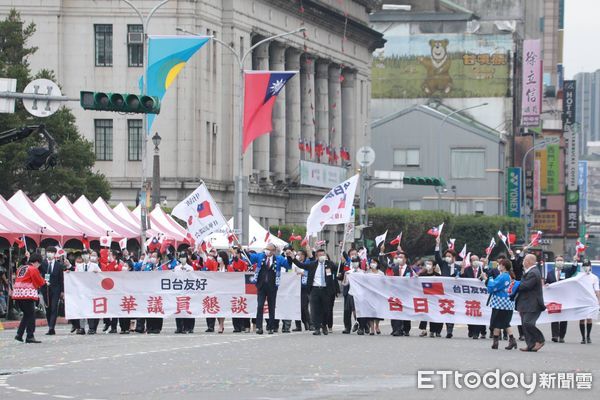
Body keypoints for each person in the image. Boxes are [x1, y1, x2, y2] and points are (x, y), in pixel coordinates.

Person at [289, 247, 336, 336]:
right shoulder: (312, 265)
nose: (322, 257)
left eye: (323, 255)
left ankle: (324, 325)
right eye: (320, 255)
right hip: (314, 289)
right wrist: (293, 258)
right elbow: (300, 265)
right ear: (316, 257)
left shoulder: (329, 264)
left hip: (326, 290)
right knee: (315, 309)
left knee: (326, 310)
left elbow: (337, 268)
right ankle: (317, 328)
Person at [248, 243, 290, 334]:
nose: (267, 251)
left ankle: (271, 327)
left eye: (270, 249)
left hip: (272, 286)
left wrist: (289, 256)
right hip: (261, 286)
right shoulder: (260, 256)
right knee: (260, 306)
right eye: (266, 249)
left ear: (274, 251)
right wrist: (242, 249)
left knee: (271, 307)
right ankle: (259, 327)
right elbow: (250, 257)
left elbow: (288, 265)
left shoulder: (278, 259)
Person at [484, 259, 519, 350]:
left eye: (499, 264)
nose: (498, 266)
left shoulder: (503, 276)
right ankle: (508, 340)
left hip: (500, 302)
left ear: (503, 266)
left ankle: (498, 341)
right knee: (504, 322)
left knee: (498, 322)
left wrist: (488, 279)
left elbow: (493, 287)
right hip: (507, 303)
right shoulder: (508, 276)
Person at [515, 254, 546, 352]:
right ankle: (531, 345)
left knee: (528, 323)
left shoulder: (534, 272)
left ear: (529, 261)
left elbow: (526, 286)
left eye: (524, 260)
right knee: (524, 324)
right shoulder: (529, 271)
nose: (523, 261)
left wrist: (515, 285)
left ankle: (540, 340)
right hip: (526, 303)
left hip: (533, 303)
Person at [12, 253, 46, 343]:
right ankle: (30, 336)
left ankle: (19, 334)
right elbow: (39, 281)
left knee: (27, 315)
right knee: (31, 315)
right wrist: (45, 282)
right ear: (37, 262)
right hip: (27, 294)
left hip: (17, 294)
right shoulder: (33, 269)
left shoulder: (21, 268)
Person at [545, 255, 577, 343]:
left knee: (563, 317)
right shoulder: (550, 273)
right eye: (558, 260)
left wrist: (574, 261)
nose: (559, 261)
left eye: (561, 260)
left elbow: (574, 269)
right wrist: (547, 284)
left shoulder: (567, 271)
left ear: (563, 262)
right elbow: (547, 282)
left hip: (564, 298)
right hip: (554, 298)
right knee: (554, 315)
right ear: (555, 262)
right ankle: (555, 335)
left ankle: (562, 336)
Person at [382, 249, 414, 336]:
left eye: (401, 257)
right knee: (395, 311)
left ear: (405, 259)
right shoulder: (394, 267)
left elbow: (413, 281)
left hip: (406, 294)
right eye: (398, 257)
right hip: (395, 293)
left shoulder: (410, 269)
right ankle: (396, 329)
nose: (399, 258)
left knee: (405, 312)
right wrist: (382, 253)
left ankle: (406, 329)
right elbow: (384, 264)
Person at [434, 237, 460, 338]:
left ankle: (449, 331)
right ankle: (438, 331)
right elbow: (437, 257)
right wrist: (437, 245)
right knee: (441, 311)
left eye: (449, 256)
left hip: (453, 293)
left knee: (450, 312)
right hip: (442, 292)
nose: (447, 258)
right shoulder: (443, 264)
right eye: (446, 256)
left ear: (454, 257)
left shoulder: (458, 268)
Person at [461, 254, 487, 339]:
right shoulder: (467, 270)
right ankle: (471, 329)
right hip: (470, 296)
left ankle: (477, 332)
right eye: (473, 260)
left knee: (479, 314)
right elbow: (463, 280)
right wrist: (461, 271)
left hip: (481, 297)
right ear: (471, 262)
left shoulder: (483, 269)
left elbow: (489, 278)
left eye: (477, 260)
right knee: (470, 314)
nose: (475, 261)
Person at [40, 246, 65, 336]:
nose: (50, 253)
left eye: (52, 252)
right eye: (48, 252)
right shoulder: (42, 263)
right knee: (48, 308)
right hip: (45, 289)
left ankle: (51, 327)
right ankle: (49, 324)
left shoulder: (59, 265)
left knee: (54, 307)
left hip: (56, 289)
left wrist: (62, 291)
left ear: (55, 254)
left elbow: (61, 279)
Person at [341, 256, 368, 335]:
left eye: (356, 261)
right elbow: (345, 284)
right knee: (347, 311)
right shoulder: (349, 272)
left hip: (360, 294)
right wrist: (345, 276)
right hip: (351, 293)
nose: (354, 263)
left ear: (359, 262)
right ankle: (347, 327)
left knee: (358, 311)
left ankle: (361, 327)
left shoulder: (362, 272)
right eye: (353, 261)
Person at [418, 260, 443, 337]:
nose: (428, 265)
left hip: (434, 298)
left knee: (433, 314)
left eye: (430, 264)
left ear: (434, 266)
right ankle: (423, 330)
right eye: (427, 264)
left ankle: (432, 331)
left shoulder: (437, 275)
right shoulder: (422, 275)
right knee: (424, 313)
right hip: (424, 297)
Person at [578, 259, 599, 344]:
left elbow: (597, 289)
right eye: (584, 265)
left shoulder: (594, 277)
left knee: (589, 318)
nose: (586, 267)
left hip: (591, 300)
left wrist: (599, 300)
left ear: (590, 266)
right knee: (582, 319)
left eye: (587, 265)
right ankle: (583, 337)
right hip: (581, 300)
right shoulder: (579, 276)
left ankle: (588, 336)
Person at [174, 251, 196, 334]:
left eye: (184, 257)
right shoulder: (176, 268)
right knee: (179, 309)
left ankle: (189, 327)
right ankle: (179, 327)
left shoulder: (190, 268)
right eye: (181, 257)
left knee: (188, 310)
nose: (182, 258)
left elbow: (192, 277)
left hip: (188, 290)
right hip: (179, 291)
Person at [365, 258, 385, 336]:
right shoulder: (367, 273)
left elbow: (384, 283)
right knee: (370, 311)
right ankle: (372, 328)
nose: (372, 263)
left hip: (378, 294)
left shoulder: (381, 273)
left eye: (374, 262)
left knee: (377, 311)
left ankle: (377, 326)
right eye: (371, 262)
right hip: (369, 294)